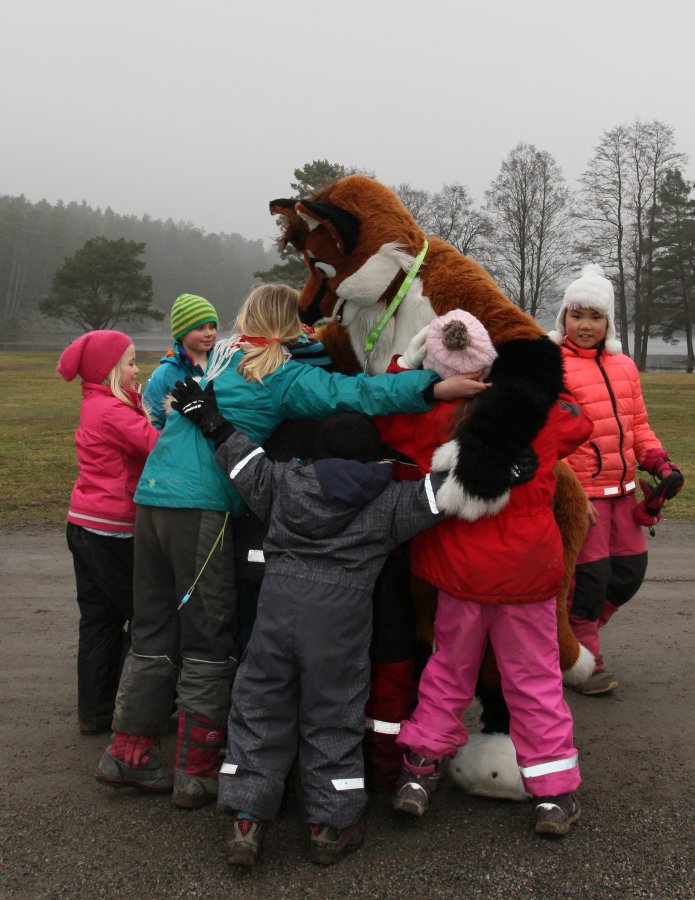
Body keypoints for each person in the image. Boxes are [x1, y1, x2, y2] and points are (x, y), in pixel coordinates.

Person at [95, 283, 484, 811]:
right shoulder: (280, 374)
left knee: (152, 625)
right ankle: (197, 768)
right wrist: (434, 389)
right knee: (210, 633)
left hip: (154, 497)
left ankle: (129, 749)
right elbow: (357, 395)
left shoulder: (220, 361)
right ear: (292, 327)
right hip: (201, 504)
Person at [374, 309, 592, 837]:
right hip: (527, 575)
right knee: (535, 683)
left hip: (459, 576)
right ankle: (553, 792)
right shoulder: (537, 414)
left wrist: (410, 366)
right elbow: (579, 421)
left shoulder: (434, 419)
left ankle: (418, 773)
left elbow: (386, 415)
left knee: (447, 674)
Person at [548, 263, 685, 695]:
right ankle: (584, 663)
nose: (585, 325)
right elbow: (545, 437)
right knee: (587, 583)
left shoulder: (623, 366)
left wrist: (659, 463)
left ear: (608, 321)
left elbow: (637, 424)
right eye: (577, 315)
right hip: (581, 495)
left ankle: (565, 639)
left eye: (594, 317)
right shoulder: (550, 365)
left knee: (627, 573)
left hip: (623, 493)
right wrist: (567, 494)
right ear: (563, 318)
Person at [57, 330, 159, 736]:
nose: (138, 371)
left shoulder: (97, 405)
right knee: (146, 615)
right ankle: (136, 709)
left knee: (98, 620)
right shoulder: (113, 413)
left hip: (83, 523)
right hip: (112, 532)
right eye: (131, 363)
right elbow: (156, 445)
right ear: (110, 371)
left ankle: (96, 711)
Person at [142, 292, 218, 428]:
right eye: (200, 328)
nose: (209, 333)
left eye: (212, 327)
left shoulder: (222, 364)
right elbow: (151, 423)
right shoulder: (163, 374)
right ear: (182, 333)